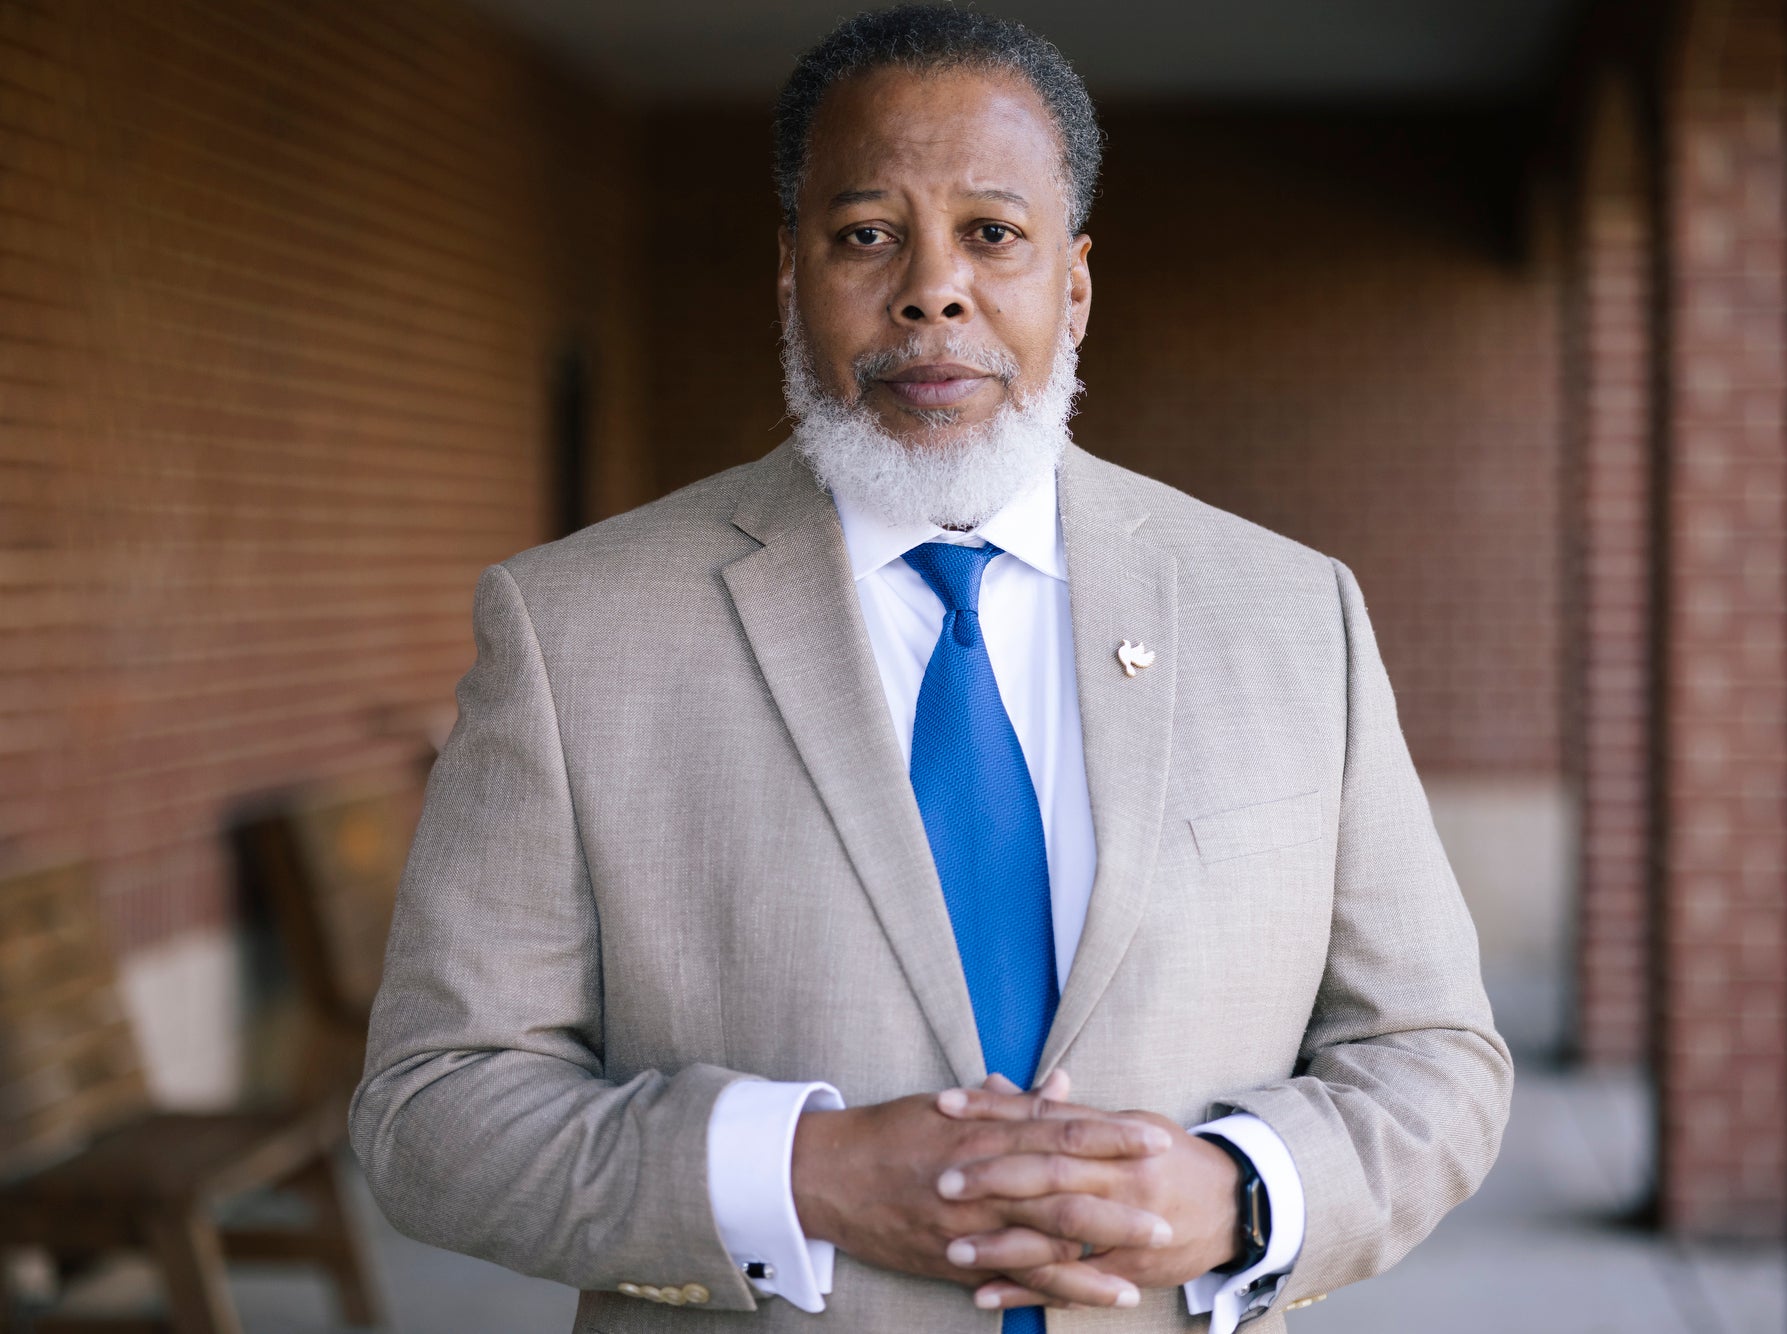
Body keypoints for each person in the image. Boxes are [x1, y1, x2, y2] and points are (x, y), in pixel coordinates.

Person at [350, 7, 1512, 1331]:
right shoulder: (573, 628)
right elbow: (431, 1110)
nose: (933, 290)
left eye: (993, 233)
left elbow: (1432, 1054)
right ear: (789, 277)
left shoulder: (1295, 615)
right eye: (867, 234)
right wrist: (800, 1175)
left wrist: (1245, 1194)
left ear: (1075, 286)